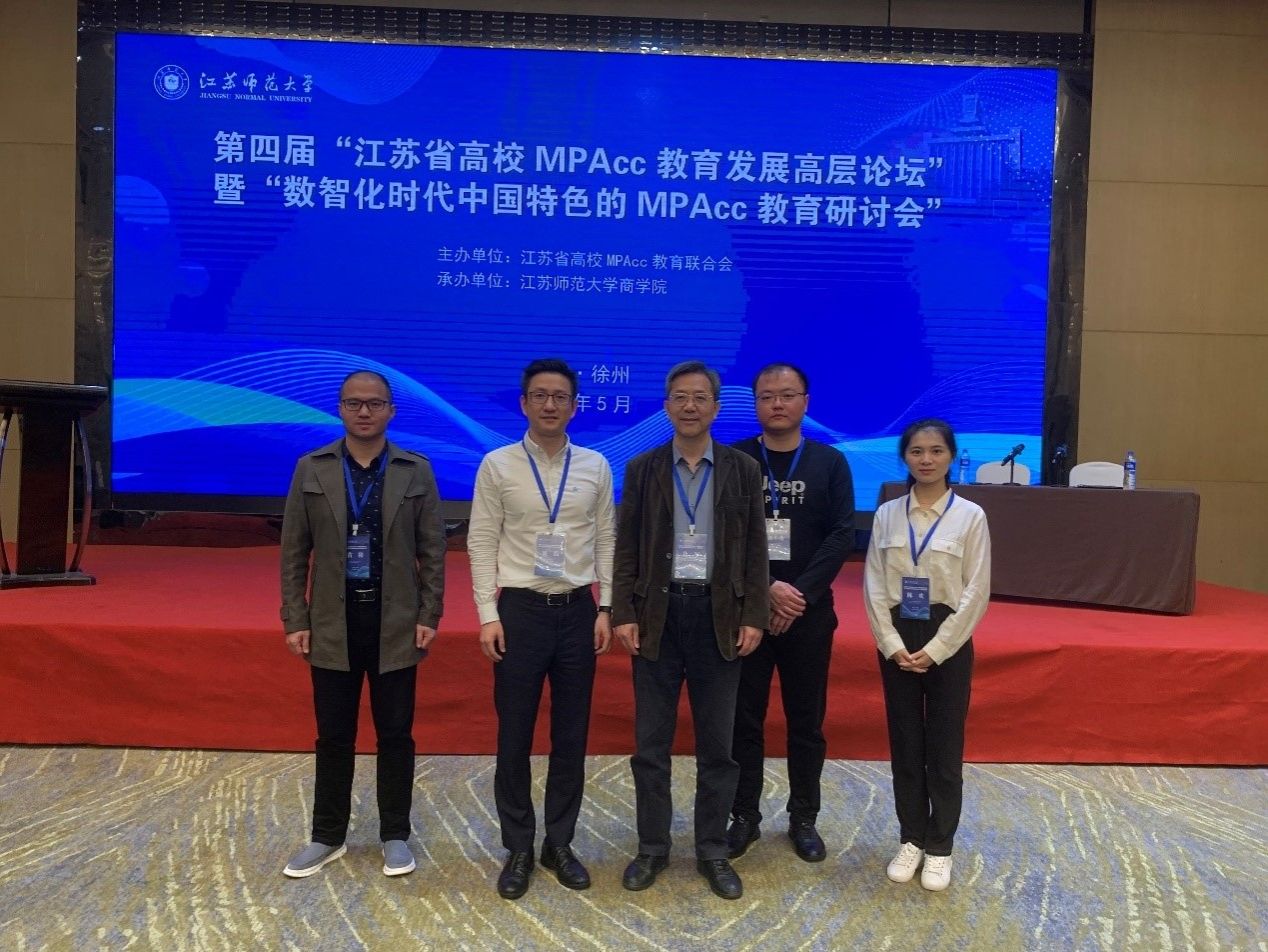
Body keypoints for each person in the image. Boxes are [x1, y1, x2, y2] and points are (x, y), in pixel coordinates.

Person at [611, 360, 769, 901]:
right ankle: (652, 848)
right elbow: (627, 546)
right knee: (650, 745)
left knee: (718, 748)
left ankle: (712, 850)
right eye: (680, 397)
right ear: (666, 406)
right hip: (657, 617)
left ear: (716, 408)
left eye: (700, 397)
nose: (690, 406)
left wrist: (754, 615)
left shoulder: (743, 469)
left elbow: (756, 549)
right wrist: (623, 611)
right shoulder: (643, 468)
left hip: (718, 618)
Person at [279, 370, 446, 879]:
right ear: (340, 409)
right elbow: (293, 552)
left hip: (396, 621)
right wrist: (295, 617)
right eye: (354, 403)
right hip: (332, 621)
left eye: (375, 403)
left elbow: (432, 551)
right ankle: (327, 836)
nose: (365, 411)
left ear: (391, 410)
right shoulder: (312, 468)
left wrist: (429, 614)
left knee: (396, 734)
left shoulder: (415, 470)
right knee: (333, 735)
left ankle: (395, 834)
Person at [467, 358, 616, 900]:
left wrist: (606, 607)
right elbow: (481, 540)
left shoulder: (596, 465)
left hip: (578, 612)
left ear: (574, 406)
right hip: (520, 613)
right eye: (539, 395)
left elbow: (607, 538)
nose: (550, 405)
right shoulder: (497, 465)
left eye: (560, 397)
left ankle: (559, 842)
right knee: (514, 735)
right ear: (524, 403)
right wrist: (487, 613)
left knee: (570, 736)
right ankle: (519, 847)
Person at [727, 363, 855, 864]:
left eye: (786, 395)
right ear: (755, 403)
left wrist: (797, 594)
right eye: (766, 396)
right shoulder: (736, 459)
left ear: (805, 401)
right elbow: (725, 534)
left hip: (809, 614)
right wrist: (766, 590)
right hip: (747, 613)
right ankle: (744, 815)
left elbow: (841, 534)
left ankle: (804, 817)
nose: (776, 404)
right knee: (744, 720)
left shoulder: (830, 462)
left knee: (806, 721)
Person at [863, 418, 990, 892]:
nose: (926, 459)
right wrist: (891, 644)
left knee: (944, 746)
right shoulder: (887, 514)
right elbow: (874, 583)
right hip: (898, 634)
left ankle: (940, 846)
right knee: (905, 743)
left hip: (947, 635)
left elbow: (976, 590)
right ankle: (911, 837)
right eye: (917, 451)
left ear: (951, 456)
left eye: (936, 451)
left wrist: (937, 649)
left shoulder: (970, 516)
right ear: (905, 457)